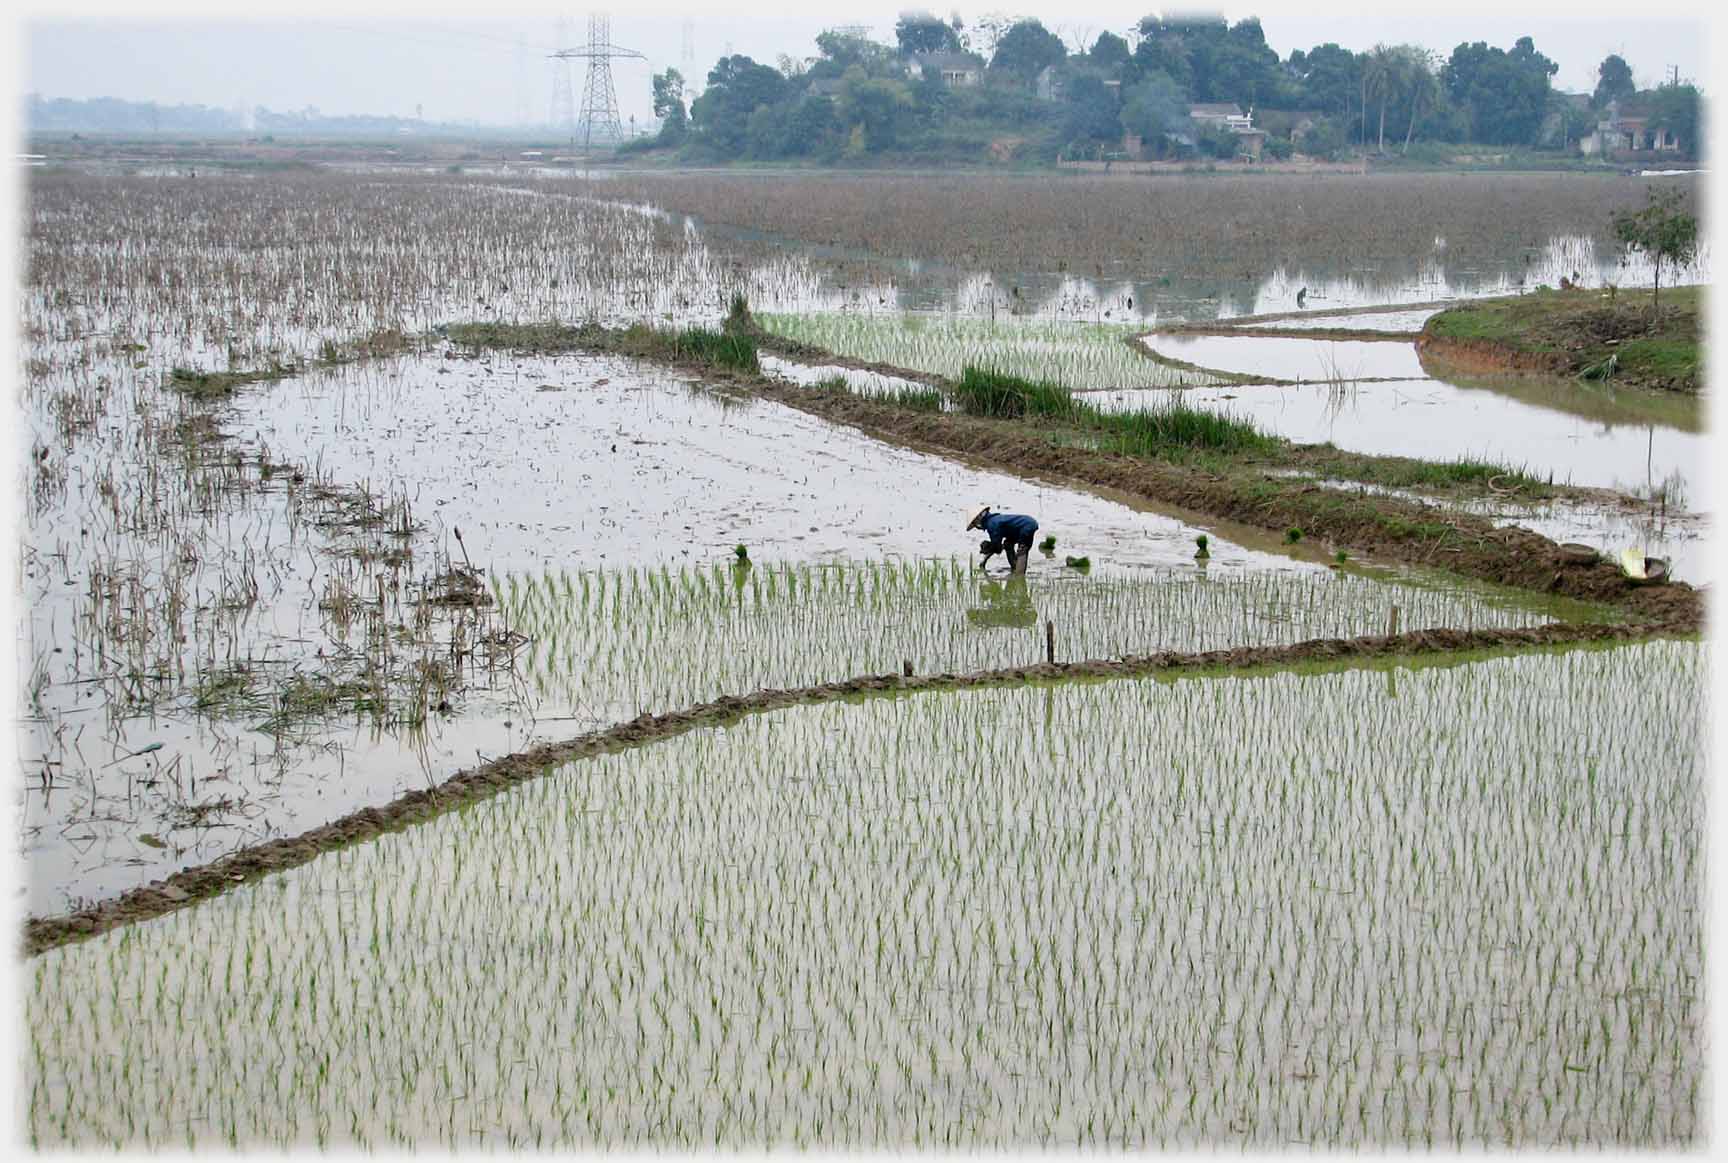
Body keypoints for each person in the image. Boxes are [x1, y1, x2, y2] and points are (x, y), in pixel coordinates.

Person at [967, 506, 1039, 575]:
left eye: (976, 524)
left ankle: (1019, 576)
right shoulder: (993, 520)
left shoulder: (992, 524)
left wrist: (988, 549)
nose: (978, 526)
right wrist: (985, 560)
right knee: (1008, 544)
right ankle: (1014, 567)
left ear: (979, 518)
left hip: (1026, 527)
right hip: (1020, 528)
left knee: (1022, 550)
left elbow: (997, 548)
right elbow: (997, 546)